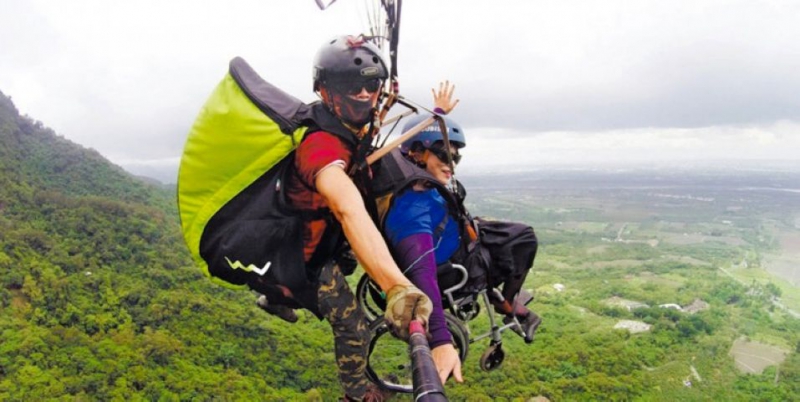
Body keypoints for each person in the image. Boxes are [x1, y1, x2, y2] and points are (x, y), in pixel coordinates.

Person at [251, 35, 432, 401]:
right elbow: (348, 207)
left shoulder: (350, 126)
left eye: (371, 84)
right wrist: (396, 285)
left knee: (351, 256)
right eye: (352, 85)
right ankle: (356, 394)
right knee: (354, 327)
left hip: (319, 239)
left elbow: (374, 116)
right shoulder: (322, 146)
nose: (364, 94)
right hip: (301, 258)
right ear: (324, 90)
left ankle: (277, 295)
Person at [381, 88, 542, 386]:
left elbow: (400, 148)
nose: (451, 161)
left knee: (516, 236)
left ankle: (504, 299)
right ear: (416, 154)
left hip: (459, 240)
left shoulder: (419, 185)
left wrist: (436, 116)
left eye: (455, 155)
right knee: (523, 240)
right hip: (458, 264)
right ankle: (506, 304)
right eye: (443, 153)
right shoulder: (410, 209)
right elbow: (422, 272)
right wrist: (441, 339)